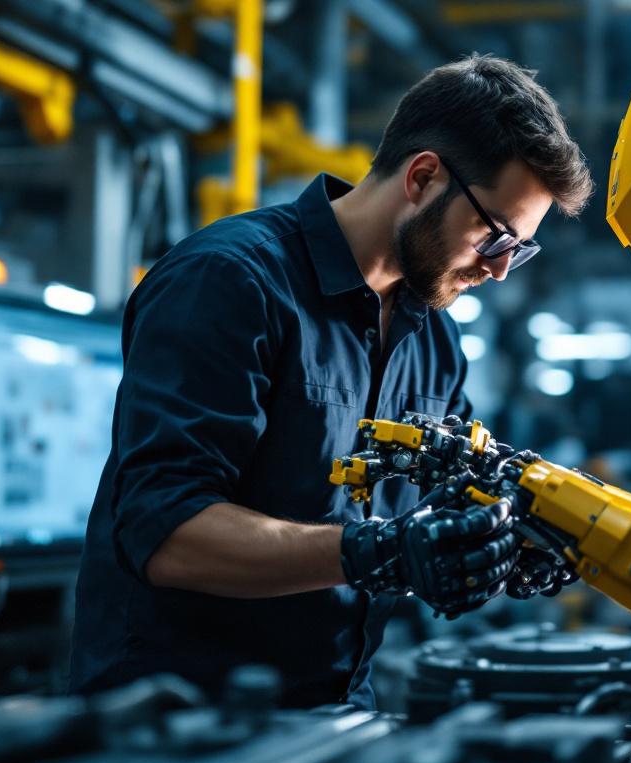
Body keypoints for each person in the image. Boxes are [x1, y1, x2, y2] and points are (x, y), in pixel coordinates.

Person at [69, 54, 593, 709]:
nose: (500, 271)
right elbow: (168, 532)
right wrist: (376, 553)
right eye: (495, 238)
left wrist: (506, 540)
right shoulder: (229, 282)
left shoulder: (432, 337)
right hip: (177, 718)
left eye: (519, 250)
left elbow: (445, 501)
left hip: (336, 706)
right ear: (424, 176)